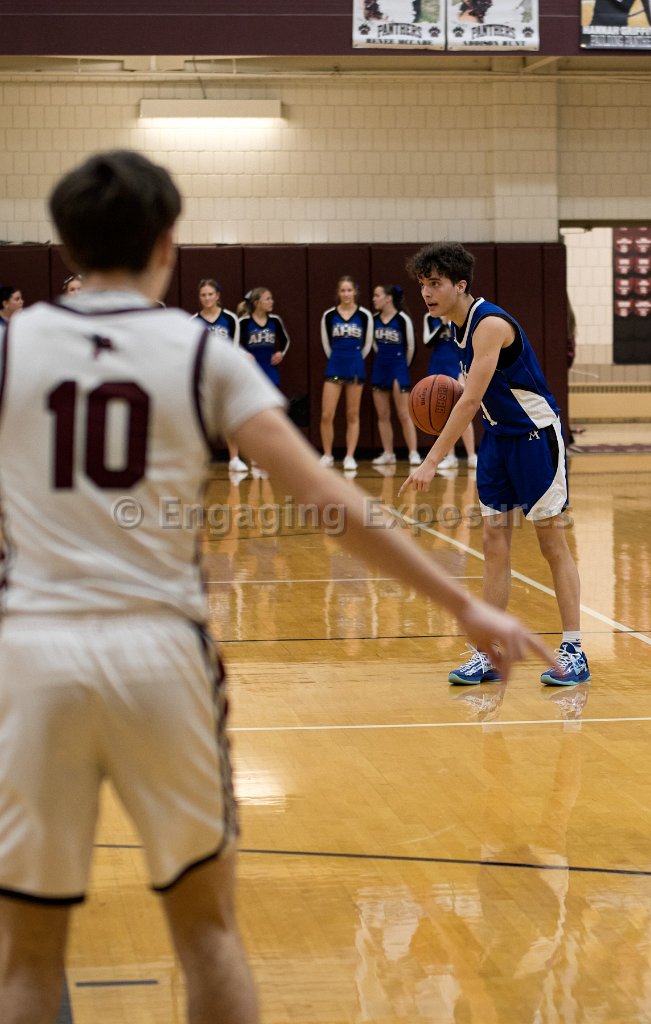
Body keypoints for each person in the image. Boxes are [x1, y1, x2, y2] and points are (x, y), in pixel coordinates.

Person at [0, 152, 554, 1024]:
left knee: (27, 961)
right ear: (167, 242)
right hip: (160, 658)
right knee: (208, 935)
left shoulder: (14, 344)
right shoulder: (197, 350)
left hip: (33, 657)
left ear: (65, 246)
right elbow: (329, 500)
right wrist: (462, 603)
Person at [400, 242, 590, 688]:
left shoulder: (489, 324)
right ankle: (490, 651)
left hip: (533, 438)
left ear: (460, 285)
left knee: (551, 541)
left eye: (435, 283)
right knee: (493, 541)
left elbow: (468, 402)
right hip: (498, 441)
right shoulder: (457, 327)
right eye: (423, 284)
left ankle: (574, 649)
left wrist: (431, 461)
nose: (426, 292)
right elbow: (472, 393)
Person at [193, 277, 248, 474]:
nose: (207, 298)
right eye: (203, 295)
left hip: (224, 373)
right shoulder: (194, 321)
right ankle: (200, 459)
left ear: (217, 296)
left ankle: (234, 458)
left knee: (230, 416)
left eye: (210, 294)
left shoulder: (230, 319)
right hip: (203, 376)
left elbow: (235, 347)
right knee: (201, 419)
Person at [319, 275, 373, 472]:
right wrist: (338, 357)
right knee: (327, 414)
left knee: (352, 414)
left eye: (349, 290)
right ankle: (327, 455)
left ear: (355, 292)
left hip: (355, 365)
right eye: (343, 290)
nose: (346, 294)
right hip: (335, 364)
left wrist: (354, 358)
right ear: (338, 293)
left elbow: (367, 344)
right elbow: (326, 344)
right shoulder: (329, 315)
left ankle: (350, 456)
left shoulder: (365, 315)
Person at [370, 284, 421, 468]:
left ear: (388, 298)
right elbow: (372, 343)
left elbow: (411, 346)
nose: (374, 299)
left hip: (398, 368)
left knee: (403, 413)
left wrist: (402, 366)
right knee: (383, 414)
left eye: (377, 295)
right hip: (380, 368)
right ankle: (388, 453)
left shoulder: (402, 319)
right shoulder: (373, 320)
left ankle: (413, 452)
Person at [423, 313, 477, 471]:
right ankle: (450, 456)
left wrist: (463, 371)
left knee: (463, 410)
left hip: (457, 367)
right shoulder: (429, 317)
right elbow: (428, 342)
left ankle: (471, 455)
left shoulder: (459, 316)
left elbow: (467, 344)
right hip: (438, 366)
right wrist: (442, 324)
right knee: (443, 413)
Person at [237, 287, 290, 388]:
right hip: (251, 370)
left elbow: (285, 340)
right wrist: (244, 354)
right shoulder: (244, 322)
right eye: (267, 299)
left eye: (271, 298)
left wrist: (281, 353)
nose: (272, 301)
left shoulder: (275, 320)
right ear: (257, 303)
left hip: (270, 369)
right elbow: (232, 342)